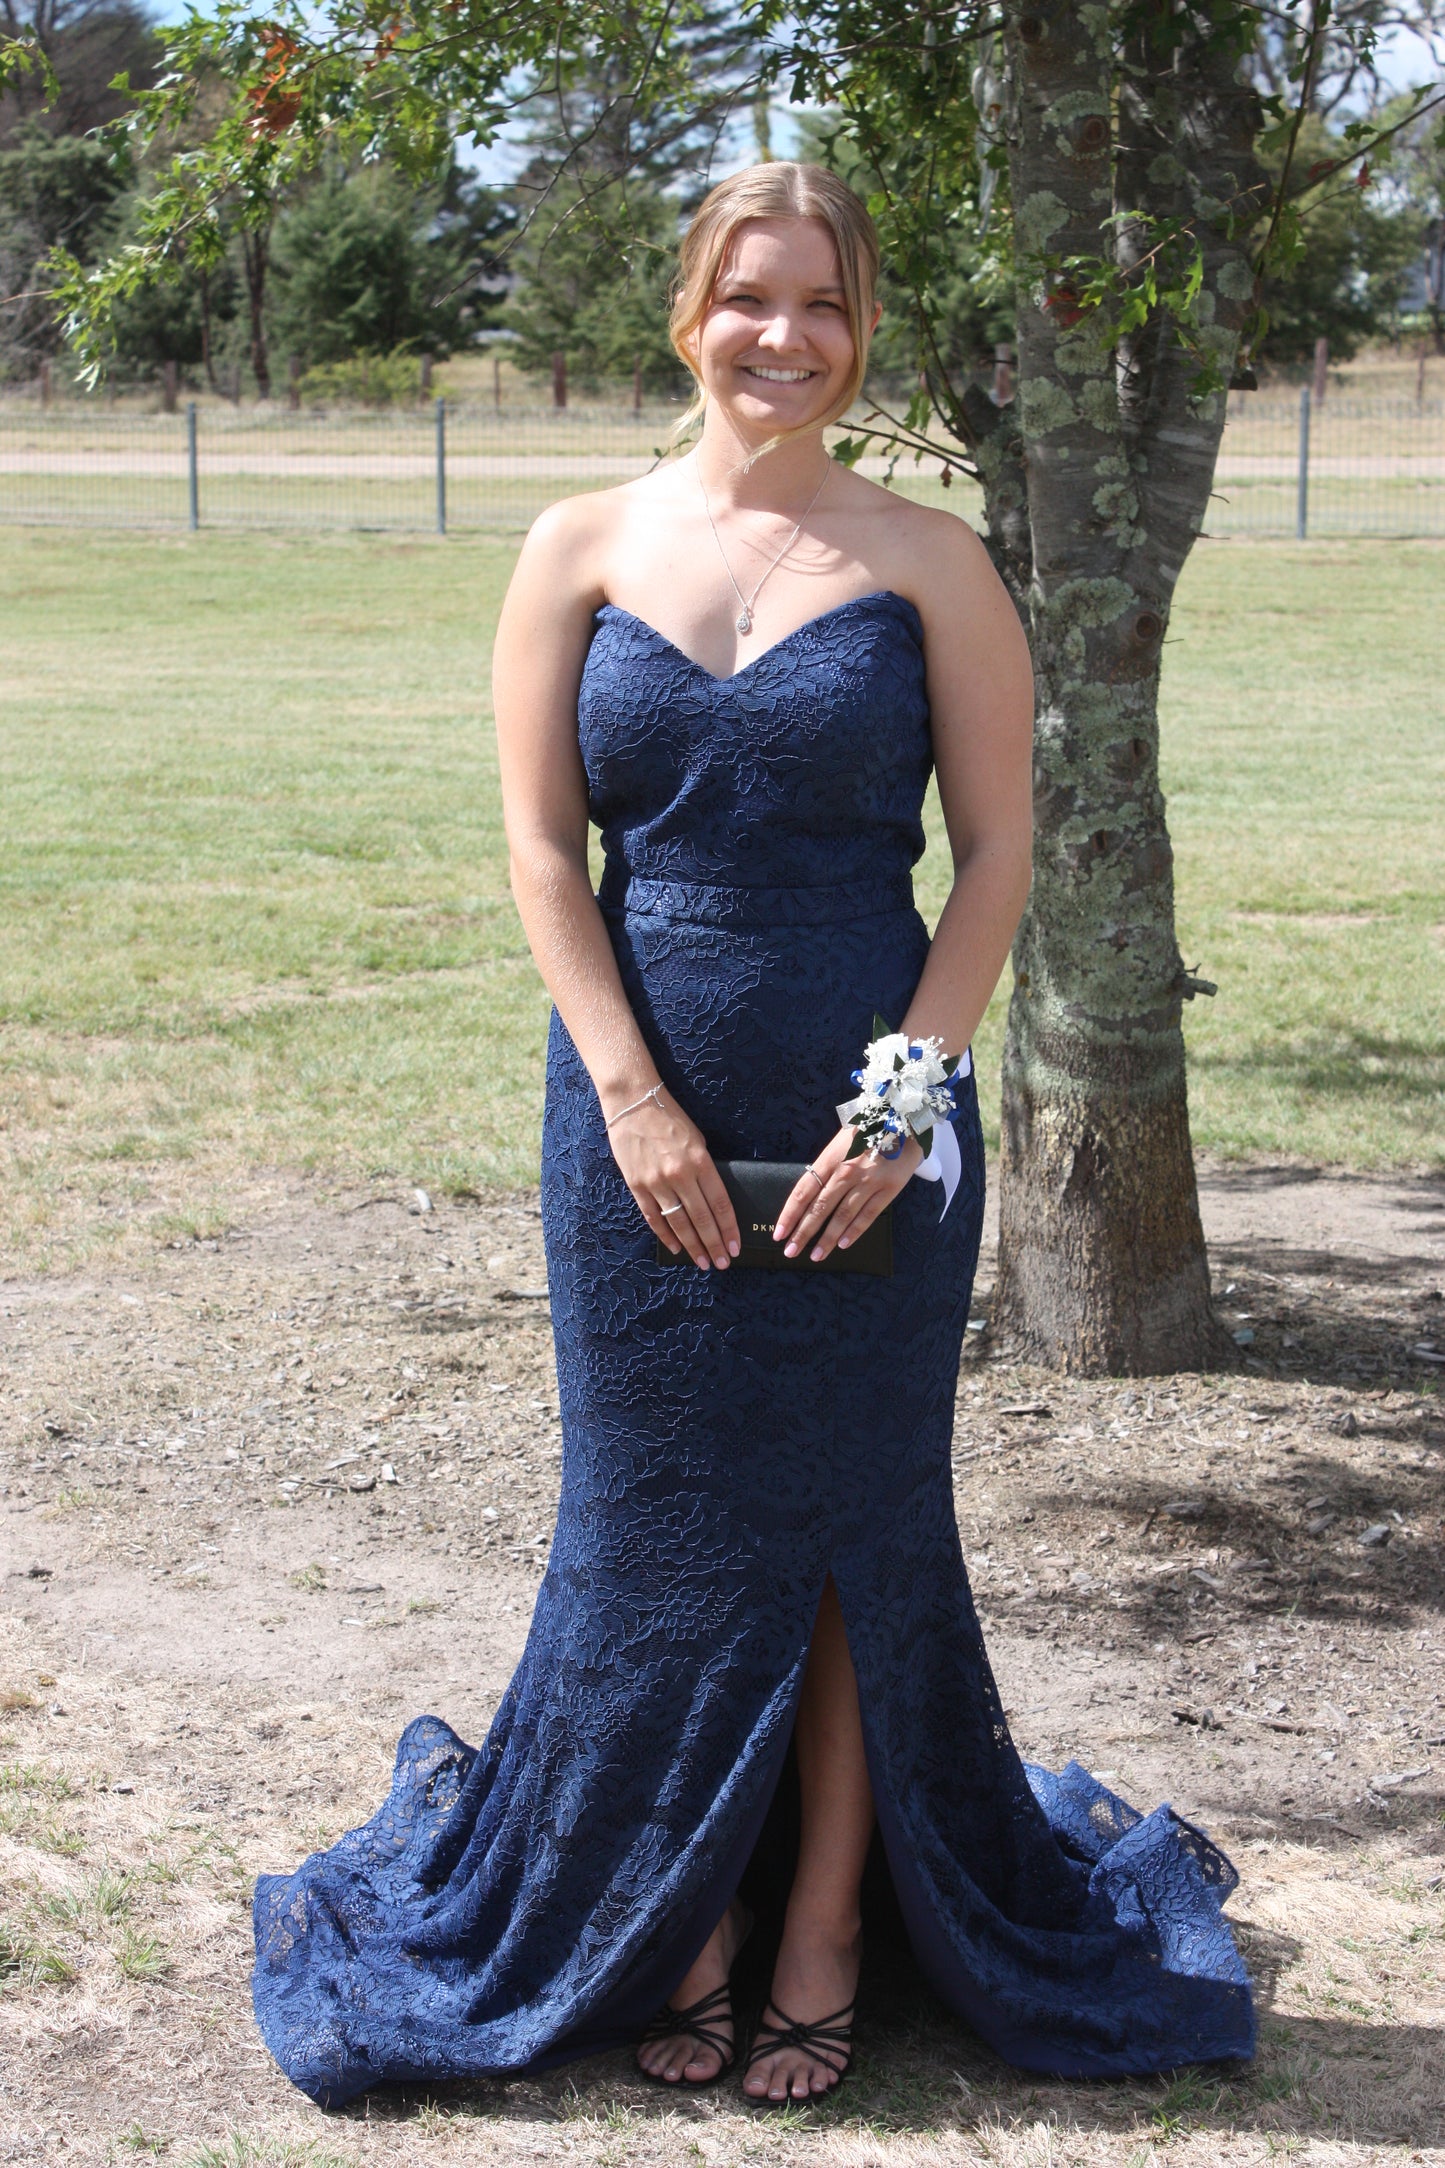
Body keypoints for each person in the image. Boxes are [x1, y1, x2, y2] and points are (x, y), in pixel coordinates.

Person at [251, 161, 1255, 2111]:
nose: (781, 336)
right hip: (633, 1119)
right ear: (688, 309)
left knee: (850, 1539)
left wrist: (902, 1109)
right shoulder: (576, 545)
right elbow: (548, 853)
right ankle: (677, 1916)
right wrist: (631, 1092)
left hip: (868, 1120)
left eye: (820, 303)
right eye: (747, 297)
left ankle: (817, 1932)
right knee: (652, 1528)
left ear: (861, 324)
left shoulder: (934, 562)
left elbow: (999, 864)